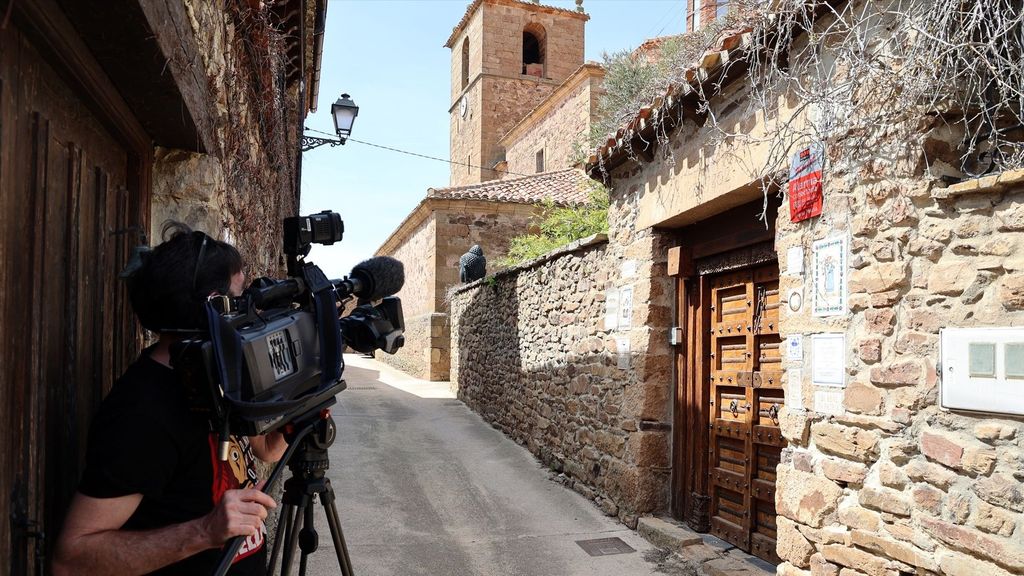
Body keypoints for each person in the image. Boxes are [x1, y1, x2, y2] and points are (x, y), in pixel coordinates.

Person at [53, 222, 288, 575]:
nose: (250, 312)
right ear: (214, 308)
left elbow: (266, 449)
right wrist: (205, 531)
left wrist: (299, 416)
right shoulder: (142, 414)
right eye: (240, 299)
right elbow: (72, 560)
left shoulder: (219, 376)